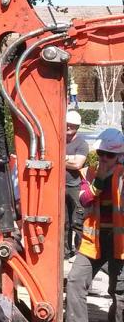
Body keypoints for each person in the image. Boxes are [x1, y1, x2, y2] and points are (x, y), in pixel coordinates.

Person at [64, 127, 124, 322]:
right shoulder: (90, 174)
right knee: (76, 280)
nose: (104, 159)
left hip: (120, 245)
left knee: (119, 292)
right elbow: (85, 199)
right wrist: (100, 181)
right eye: (101, 153)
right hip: (93, 242)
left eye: (110, 155)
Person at [64, 109, 89, 257]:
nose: (68, 127)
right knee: (64, 222)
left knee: (78, 222)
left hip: (75, 186)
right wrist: (68, 160)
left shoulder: (82, 144)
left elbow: (78, 164)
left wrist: (61, 159)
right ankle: (66, 251)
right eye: (67, 124)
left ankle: (81, 252)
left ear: (77, 127)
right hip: (60, 187)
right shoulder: (59, 141)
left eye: (72, 125)